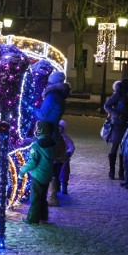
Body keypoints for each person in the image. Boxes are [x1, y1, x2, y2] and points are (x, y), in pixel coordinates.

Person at [34, 70, 71, 205]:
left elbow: (43, 114)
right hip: (52, 130)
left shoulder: (52, 96)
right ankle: (52, 195)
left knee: (46, 164)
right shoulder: (59, 95)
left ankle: (50, 196)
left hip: (47, 131)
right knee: (51, 163)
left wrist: (30, 107)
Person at [19, 121, 56, 225]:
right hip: (47, 175)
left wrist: (22, 170)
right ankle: (43, 216)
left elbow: (33, 162)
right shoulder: (52, 143)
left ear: (40, 130)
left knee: (35, 198)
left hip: (38, 175)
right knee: (43, 196)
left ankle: (32, 219)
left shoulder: (37, 146)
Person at [104, 78, 128, 180]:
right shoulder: (118, 94)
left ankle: (122, 172)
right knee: (115, 146)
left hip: (127, 124)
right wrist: (116, 114)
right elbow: (107, 105)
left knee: (124, 148)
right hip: (118, 124)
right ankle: (111, 171)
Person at [57, 119, 75, 195]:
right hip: (56, 159)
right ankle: (56, 186)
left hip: (64, 158)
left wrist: (68, 153)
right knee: (56, 173)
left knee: (64, 173)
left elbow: (71, 147)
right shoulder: (55, 138)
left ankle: (64, 187)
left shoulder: (66, 139)